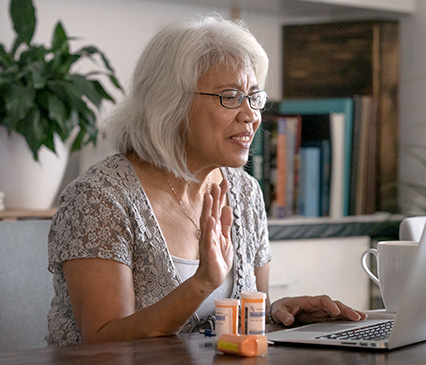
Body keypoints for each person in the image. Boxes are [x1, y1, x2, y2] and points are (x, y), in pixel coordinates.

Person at [46, 14, 365, 347]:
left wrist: (277, 315)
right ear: (170, 104)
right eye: (230, 96)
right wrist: (202, 282)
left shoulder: (245, 192)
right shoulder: (100, 197)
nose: (251, 115)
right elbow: (102, 341)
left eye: (253, 97)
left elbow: (244, 326)